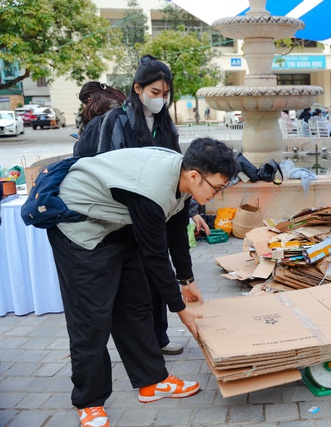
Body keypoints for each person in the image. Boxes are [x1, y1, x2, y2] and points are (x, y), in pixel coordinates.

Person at [47, 138, 237, 427]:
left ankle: (153, 382)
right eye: (217, 188)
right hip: (80, 229)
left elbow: (175, 228)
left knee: (136, 306)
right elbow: (155, 255)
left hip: (117, 224)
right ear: (195, 175)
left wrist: (186, 279)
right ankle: (89, 401)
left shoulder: (182, 180)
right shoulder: (151, 190)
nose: (218, 194)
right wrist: (179, 309)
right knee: (92, 319)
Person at [77, 55, 208, 356]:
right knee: (136, 280)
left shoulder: (166, 123)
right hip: (123, 213)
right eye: (154, 93)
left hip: (157, 209)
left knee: (156, 268)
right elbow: (105, 167)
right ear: (138, 89)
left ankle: (159, 336)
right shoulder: (117, 120)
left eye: (165, 94)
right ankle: (141, 344)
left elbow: (179, 172)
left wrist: (191, 212)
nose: (160, 100)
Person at [72, 82, 126, 154]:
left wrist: (78, 143)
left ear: (89, 100)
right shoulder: (123, 111)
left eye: (83, 106)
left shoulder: (96, 122)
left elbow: (83, 153)